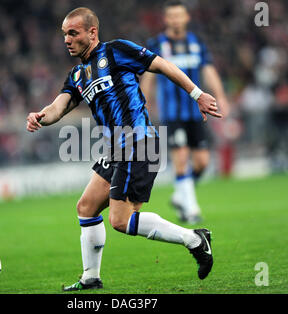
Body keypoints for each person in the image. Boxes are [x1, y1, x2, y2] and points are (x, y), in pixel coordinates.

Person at [26, 7, 222, 291]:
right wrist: (40, 116)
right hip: (116, 148)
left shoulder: (116, 51)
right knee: (86, 207)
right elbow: (59, 106)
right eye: (64, 34)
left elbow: (163, 65)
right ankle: (90, 279)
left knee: (120, 219)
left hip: (138, 141)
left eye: (73, 33)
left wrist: (197, 94)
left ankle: (194, 239)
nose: (67, 39)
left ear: (92, 32)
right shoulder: (78, 75)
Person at [141, 0, 230, 224]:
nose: (176, 20)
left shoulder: (196, 42)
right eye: (171, 16)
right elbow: (149, 76)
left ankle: (181, 195)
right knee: (181, 157)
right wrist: (144, 102)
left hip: (196, 112)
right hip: (172, 114)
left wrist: (220, 96)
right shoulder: (157, 44)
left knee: (201, 162)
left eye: (179, 16)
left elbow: (208, 70)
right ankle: (191, 209)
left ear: (186, 18)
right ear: (166, 19)